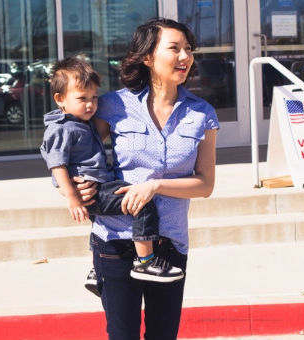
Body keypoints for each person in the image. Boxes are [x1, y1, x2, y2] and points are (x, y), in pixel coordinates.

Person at [74, 18, 218, 340]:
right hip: (115, 238)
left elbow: (205, 184)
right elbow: (84, 157)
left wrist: (155, 186)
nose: (185, 56)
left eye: (188, 49)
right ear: (148, 57)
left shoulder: (202, 113)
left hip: (169, 242)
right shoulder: (112, 105)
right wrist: (78, 184)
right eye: (174, 48)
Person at [39, 57, 184, 290]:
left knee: (99, 223)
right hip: (92, 189)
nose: (90, 104)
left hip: (98, 184)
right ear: (60, 100)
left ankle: (97, 269)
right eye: (82, 99)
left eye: (94, 98)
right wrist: (72, 197)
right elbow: (57, 165)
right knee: (140, 202)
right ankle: (145, 261)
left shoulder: (81, 122)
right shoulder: (61, 128)